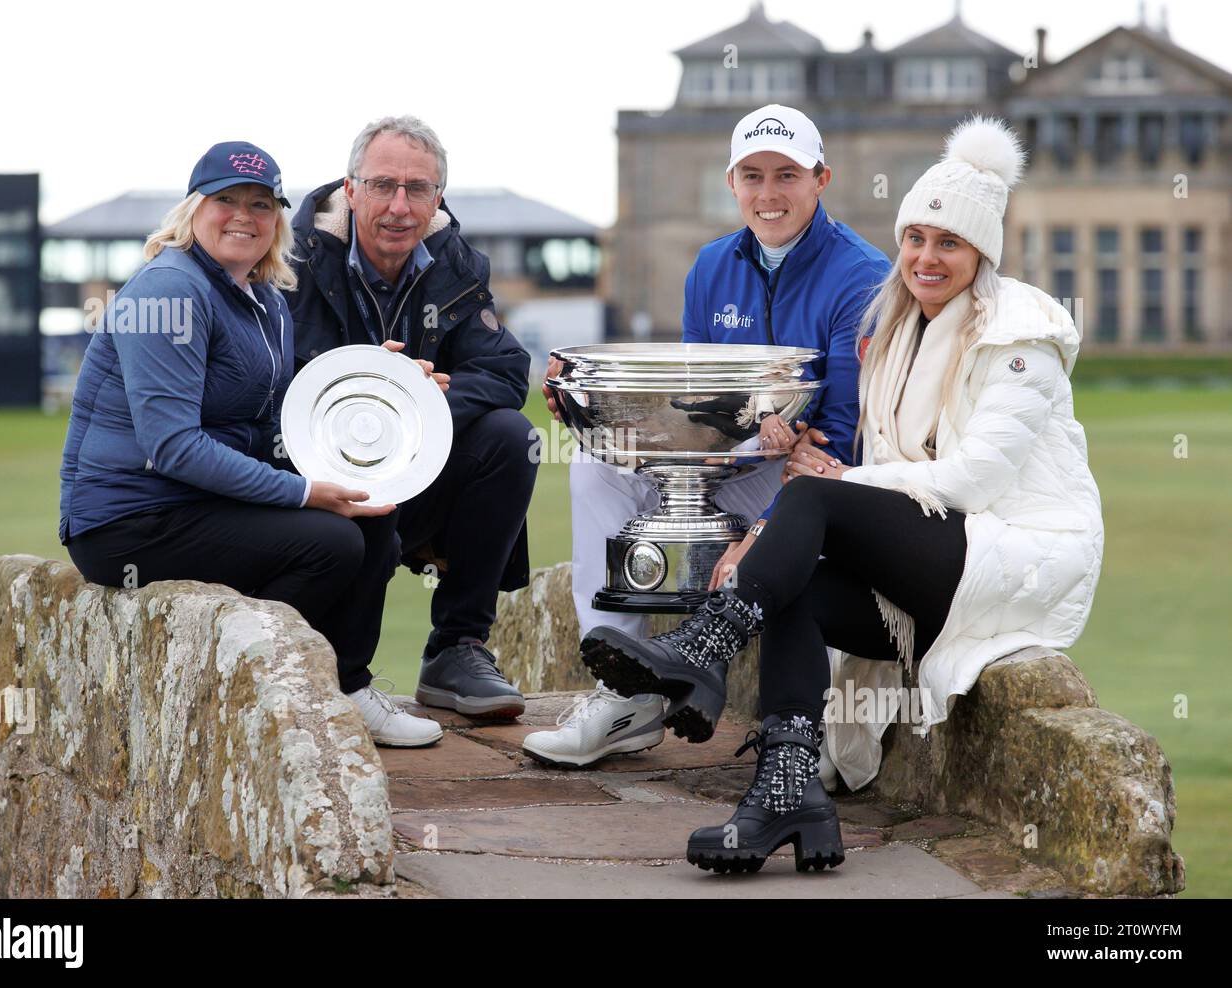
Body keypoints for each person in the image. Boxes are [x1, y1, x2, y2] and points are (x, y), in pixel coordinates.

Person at [580, 117, 1104, 874]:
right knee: (793, 583)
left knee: (815, 502)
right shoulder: (901, 327)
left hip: (1012, 561)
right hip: (938, 557)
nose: (927, 257)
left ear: (981, 254)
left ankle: (702, 647)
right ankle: (785, 792)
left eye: (949, 243)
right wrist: (800, 462)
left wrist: (837, 482)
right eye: (916, 238)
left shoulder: (1018, 336)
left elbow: (972, 483)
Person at [524, 104, 889, 768]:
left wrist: (760, 530)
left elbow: (848, 431)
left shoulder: (862, 273)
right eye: (753, 176)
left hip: (830, 482)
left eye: (787, 175)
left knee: (810, 483)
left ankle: (744, 683)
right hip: (750, 462)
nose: (769, 194)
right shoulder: (712, 266)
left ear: (821, 179)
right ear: (731, 182)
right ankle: (624, 698)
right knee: (596, 467)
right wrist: (604, 418)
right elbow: (696, 410)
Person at [60, 141, 449, 748]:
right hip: (128, 520)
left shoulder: (266, 299)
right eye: (226, 201)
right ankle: (241, 700)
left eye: (261, 204)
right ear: (194, 210)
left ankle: (345, 690)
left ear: (277, 220)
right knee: (329, 542)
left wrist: (370, 382)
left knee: (374, 520)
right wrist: (302, 493)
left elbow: (276, 422)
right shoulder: (168, 290)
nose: (244, 216)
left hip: (196, 504)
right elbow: (173, 448)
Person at [285, 116, 536, 729]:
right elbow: (266, 383)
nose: (399, 206)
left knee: (512, 438)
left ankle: (457, 649)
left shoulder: (456, 261)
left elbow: (506, 370)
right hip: (310, 478)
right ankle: (349, 678)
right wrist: (371, 406)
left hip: (417, 479)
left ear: (437, 200)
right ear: (350, 189)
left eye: (417, 189)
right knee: (369, 461)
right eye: (382, 186)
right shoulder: (290, 260)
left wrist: (419, 402)